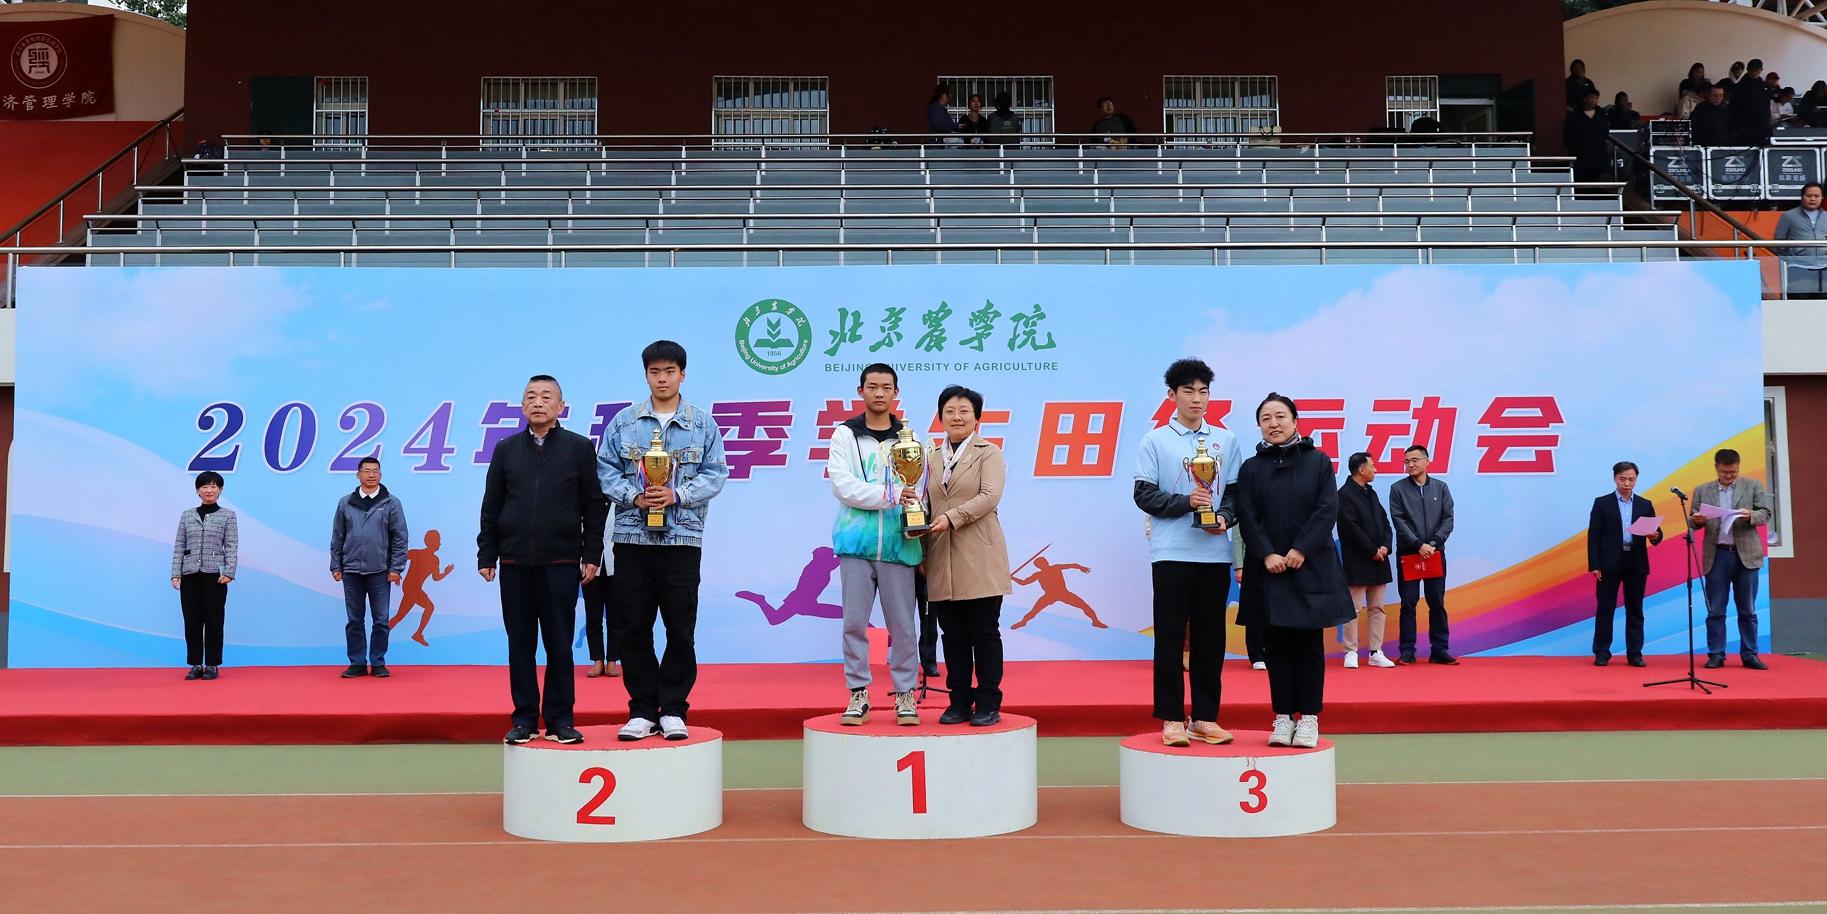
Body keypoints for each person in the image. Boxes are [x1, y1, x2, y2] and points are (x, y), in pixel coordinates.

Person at [598, 341, 729, 740]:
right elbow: (604, 470)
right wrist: (634, 496)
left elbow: (716, 473)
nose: (662, 378)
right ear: (646, 375)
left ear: (682, 374)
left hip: (682, 540)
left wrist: (678, 494)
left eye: (670, 371)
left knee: (680, 627)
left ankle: (673, 708)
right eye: (655, 372)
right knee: (633, 626)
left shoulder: (702, 424)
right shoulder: (623, 422)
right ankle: (641, 710)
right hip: (632, 538)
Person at [479, 374, 607, 746]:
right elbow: (492, 505)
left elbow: (593, 506)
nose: (538, 402)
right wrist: (487, 553)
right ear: (522, 407)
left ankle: (560, 720)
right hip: (515, 562)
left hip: (561, 562)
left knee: (559, 645)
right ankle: (523, 719)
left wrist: (591, 553)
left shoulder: (579, 448)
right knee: (519, 644)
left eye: (546, 396)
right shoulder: (505, 449)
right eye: (531, 396)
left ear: (561, 406)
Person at [1131, 358, 1244, 747]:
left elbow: (1235, 493)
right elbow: (1143, 494)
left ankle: (1205, 717)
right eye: (1188, 391)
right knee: (1169, 638)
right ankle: (1172, 719)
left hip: (1213, 554)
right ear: (1172, 395)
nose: (1197, 399)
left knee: (1211, 640)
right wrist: (1186, 502)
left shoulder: (1226, 440)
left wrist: (1224, 517)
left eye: (1203, 391)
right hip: (1170, 553)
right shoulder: (1155, 440)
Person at [1235, 394, 1357, 749]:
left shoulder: (1318, 462)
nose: (1274, 423)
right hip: (1269, 569)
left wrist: (1301, 548)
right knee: (1275, 648)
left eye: (1280, 416)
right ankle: (1283, 716)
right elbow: (1247, 516)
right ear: (1259, 425)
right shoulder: (1251, 468)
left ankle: (1309, 718)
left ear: (1295, 421)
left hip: (1310, 566)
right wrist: (1266, 553)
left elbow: (1327, 508)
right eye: (1266, 418)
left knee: (1308, 646)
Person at [827, 363, 924, 725]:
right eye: (872, 386)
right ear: (861, 391)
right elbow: (843, 485)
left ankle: (905, 694)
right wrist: (892, 495)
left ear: (896, 393)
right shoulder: (844, 435)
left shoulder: (910, 439)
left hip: (899, 545)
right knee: (854, 623)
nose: (879, 393)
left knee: (903, 627)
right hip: (855, 543)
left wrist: (915, 514)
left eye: (886, 387)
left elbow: (920, 489)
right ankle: (858, 692)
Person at [921, 385, 1013, 727]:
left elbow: (990, 496)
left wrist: (951, 518)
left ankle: (988, 702)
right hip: (941, 556)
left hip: (980, 556)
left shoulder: (989, 453)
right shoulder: (930, 457)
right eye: (949, 411)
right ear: (940, 417)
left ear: (977, 418)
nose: (956, 417)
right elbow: (925, 503)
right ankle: (958, 701)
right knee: (953, 635)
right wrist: (919, 547)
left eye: (964, 411)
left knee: (984, 633)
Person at [1690, 448, 1773, 670]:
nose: (1729, 476)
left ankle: (1750, 654)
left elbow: (1766, 513)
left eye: (1733, 472)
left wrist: (1750, 515)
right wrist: (1697, 520)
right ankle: (1716, 654)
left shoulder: (1753, 485)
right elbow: (1692, 520)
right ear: (1716, 468)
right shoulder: (1702, 490)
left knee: (1747, 609)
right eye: (1724, 472)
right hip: (1717, 555)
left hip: (1746, 555)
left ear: (1738, 468)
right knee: (1715, 609)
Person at [329, 456, 409, 679]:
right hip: (351, 571)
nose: (371, 475)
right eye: (366, 471)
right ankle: (357, 663)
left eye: (375, 471)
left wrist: (396, 568)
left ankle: (378, 662)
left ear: (380, 475)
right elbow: (337, 536)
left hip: (381, 572)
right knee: (354, 620)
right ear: (358, 475)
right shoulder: (345, 503)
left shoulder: (391, 503)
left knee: (381, 620)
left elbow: (400, 538)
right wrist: (336, 565)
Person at [1588, 461, 1664, 667]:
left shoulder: (1644, 504)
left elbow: (1657, 533)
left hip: (1636, 562)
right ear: (1615, 478)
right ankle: (1602, 652)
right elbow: (1594, 536)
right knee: (1605, 610)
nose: (1627, 484)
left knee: (1635, 610)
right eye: (1623, 479)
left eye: (1631, 479)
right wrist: (1595, 564)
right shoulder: (1602, 503)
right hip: (1608, 563)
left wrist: (1655, 536)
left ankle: (1635, 653)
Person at [1389, 444, 1457, 665]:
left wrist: (1434, 543)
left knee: (1436, 602)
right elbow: (1399, 521)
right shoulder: (1398, 489)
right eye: (1406, 461)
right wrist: (1418, 545)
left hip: (1435, 553)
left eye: (1415, 460)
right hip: (1409, 554)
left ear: (1427, 461)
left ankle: (1440, 650)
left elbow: (1448, 519)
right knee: (1408, 603)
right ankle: (1407, 651)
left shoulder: (1441, 488)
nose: (1410, 465)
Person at [170, 471, 238, 681]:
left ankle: (212, 664)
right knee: (192, 621)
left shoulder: (228, 515)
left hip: (215, 575)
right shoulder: (187, 515)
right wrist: (176, 573)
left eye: (213, 486)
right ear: (197, 490)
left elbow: (231, 545)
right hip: (189, 574)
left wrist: (229, 572)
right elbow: (179, 545)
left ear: (220, 490)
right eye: (204, 486)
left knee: (214, 620)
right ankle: (195, 664)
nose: (209, 490)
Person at [1336, 452, 1396, 669]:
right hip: (1358, 560)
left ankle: (1375, 651)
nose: (1375, 469)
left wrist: (1386, 546)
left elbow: (1385, 522)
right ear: (1361, 469)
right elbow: (1350, 528)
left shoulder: (1371, 493)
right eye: (1373, 466)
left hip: (1379, 559)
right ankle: (1350, 651)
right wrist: (1371, 550)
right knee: (1353, 608)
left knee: (1377, 607)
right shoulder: (1344, 495)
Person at [389, 529, 453, 646]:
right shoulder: (417, 553)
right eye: (438, 541)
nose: (440, 543)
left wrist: (446, 573)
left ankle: (415, 634)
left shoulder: (435, 560)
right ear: (432, 542)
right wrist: (395, 571)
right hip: (411, 588)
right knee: (428, 608)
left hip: (415, 589)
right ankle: (417, 634)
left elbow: (436, 577)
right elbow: (399, 557)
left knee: (400, 616)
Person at [580, 511, 620, 678]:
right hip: (590, 566)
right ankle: (597, 660)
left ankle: (612, 661)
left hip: (615, 564)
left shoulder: (619, 502)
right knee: (593, 616)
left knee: (615, 616)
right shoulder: (588, 504)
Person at [1774, 183, 1827, 297]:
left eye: (1816, 196)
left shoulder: (1826, 216)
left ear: (1822, 197)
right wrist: (1791, 257)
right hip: (1798, 268)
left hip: (1824, 267)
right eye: (1809, 196)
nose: (1813, 199)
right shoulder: (1789, 216)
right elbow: (1778, 241)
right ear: (1802, 197)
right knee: (1798, 303)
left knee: (1822, 304)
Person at [1564, 89, 1612, 187]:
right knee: (1580, 184)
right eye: (1591, 97)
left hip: (1598, 156)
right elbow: (1567, 134)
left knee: (1596, 183)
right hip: (1580, 157)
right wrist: (1575, 149)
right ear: (1585, 99)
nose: (1594, 100)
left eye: (1596, 98)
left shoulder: (1601, 114)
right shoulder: (1575, 115)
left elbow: (1605, 132)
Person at [1731, 59, 1771, 145]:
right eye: (1752, 69)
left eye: (1757, 70)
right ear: (1748, 69)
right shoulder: (1739, 87)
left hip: (1763, 126)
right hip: (1745, 127)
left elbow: (1766, 106)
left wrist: (1767, 122)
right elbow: (1733, 108)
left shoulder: (1765, 86)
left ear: (1761, 70)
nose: (1755, 72)